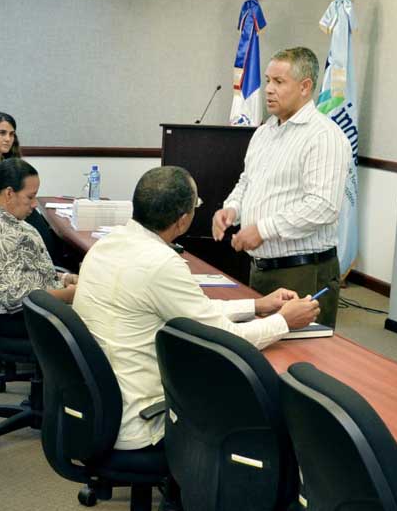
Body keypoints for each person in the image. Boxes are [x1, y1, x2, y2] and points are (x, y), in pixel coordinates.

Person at [74, 166, 320, 451]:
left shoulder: (110, 243)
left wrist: (256, 304)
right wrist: (284, 321)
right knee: (255, 402)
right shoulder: (161, 263)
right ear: (182, 221)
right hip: (142, 417)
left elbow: (194, 311)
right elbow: (227, 339)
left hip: (101, 405)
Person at [211, 46, 350, 327]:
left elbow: (322, 207)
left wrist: (263, 230)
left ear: (305, 86)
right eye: (267, 81)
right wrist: (232, 209)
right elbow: (247, 181)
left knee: (301, 360)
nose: (269, 90)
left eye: (279, 82)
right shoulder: (264, 132)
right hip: (261, 267)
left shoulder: (324, 136)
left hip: (302, 270)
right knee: (263, 355)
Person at [0, 159, 76, 336]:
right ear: (9, 193)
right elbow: (15, 297)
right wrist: (69, 295)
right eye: (30, 197)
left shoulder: (3, 218)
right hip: (29, 317)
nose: (34, 204)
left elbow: (23, 269)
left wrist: (64, 278)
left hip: (41, 303)